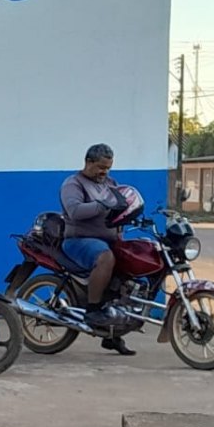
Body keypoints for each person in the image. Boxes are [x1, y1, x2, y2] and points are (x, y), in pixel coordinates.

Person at [59, 142, 136, 355]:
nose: (105, 172)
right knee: (105, 257)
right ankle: (92, 309)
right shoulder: (73, 184)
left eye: (108, 167)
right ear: (88, 162)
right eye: (101, 167)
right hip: (79, 240)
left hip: (109, 238)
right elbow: (74, 211)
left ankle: (113, 333)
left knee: (129, 270)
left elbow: (120, 209)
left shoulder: (111, 183)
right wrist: (103, 204)